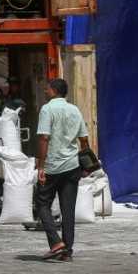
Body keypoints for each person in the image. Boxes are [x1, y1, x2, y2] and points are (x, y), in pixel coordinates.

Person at [33, 78, 89, 262]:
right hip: (72, 166)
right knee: (68, 209)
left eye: (46, 89)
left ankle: (56, 243)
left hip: (52, 166)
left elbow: (43, 138)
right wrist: (87, 165)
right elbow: (84, 140)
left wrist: (41, 165)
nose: (45, 92)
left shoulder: (47, 109)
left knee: (41, 204)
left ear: (54, 90)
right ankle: (67, 252)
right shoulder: (74, 110)